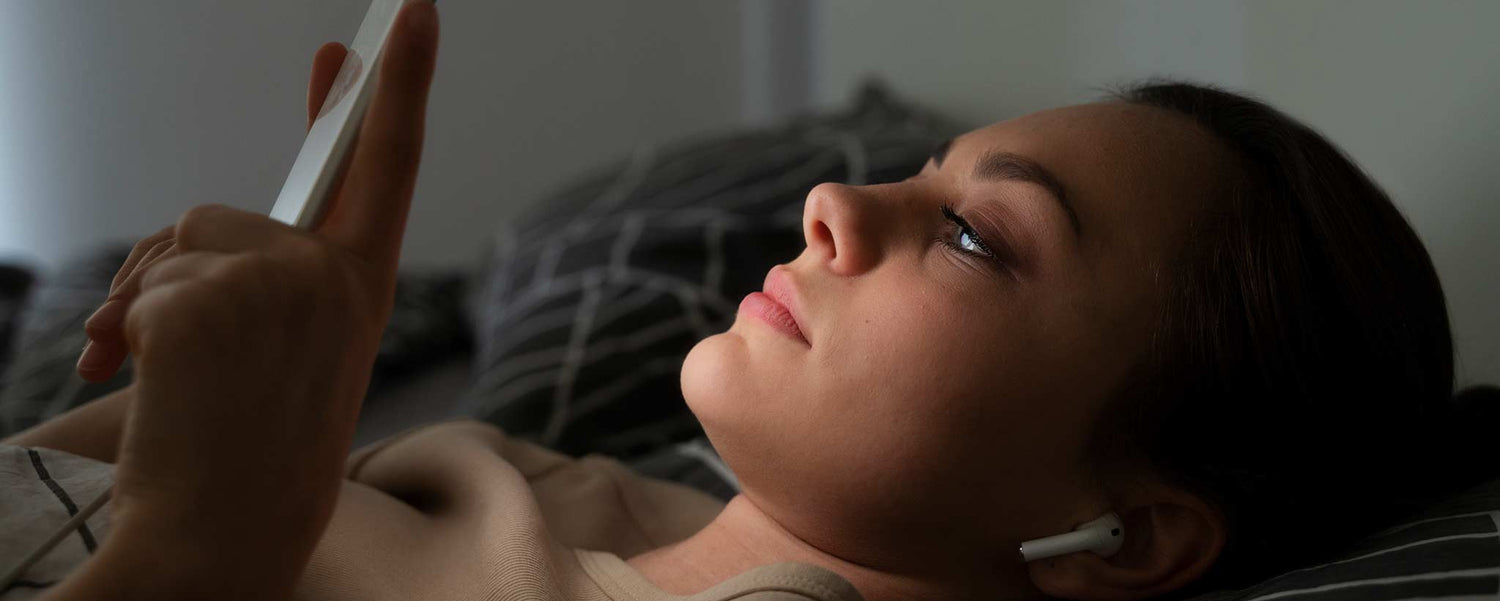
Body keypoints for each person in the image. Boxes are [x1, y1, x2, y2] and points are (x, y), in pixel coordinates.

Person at [3, 2, 1492, 600]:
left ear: (1131, 533)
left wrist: (207, 528)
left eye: (976, 237)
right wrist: (241, 374)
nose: (837, 203)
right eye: (921, 172)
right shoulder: (564, 490)